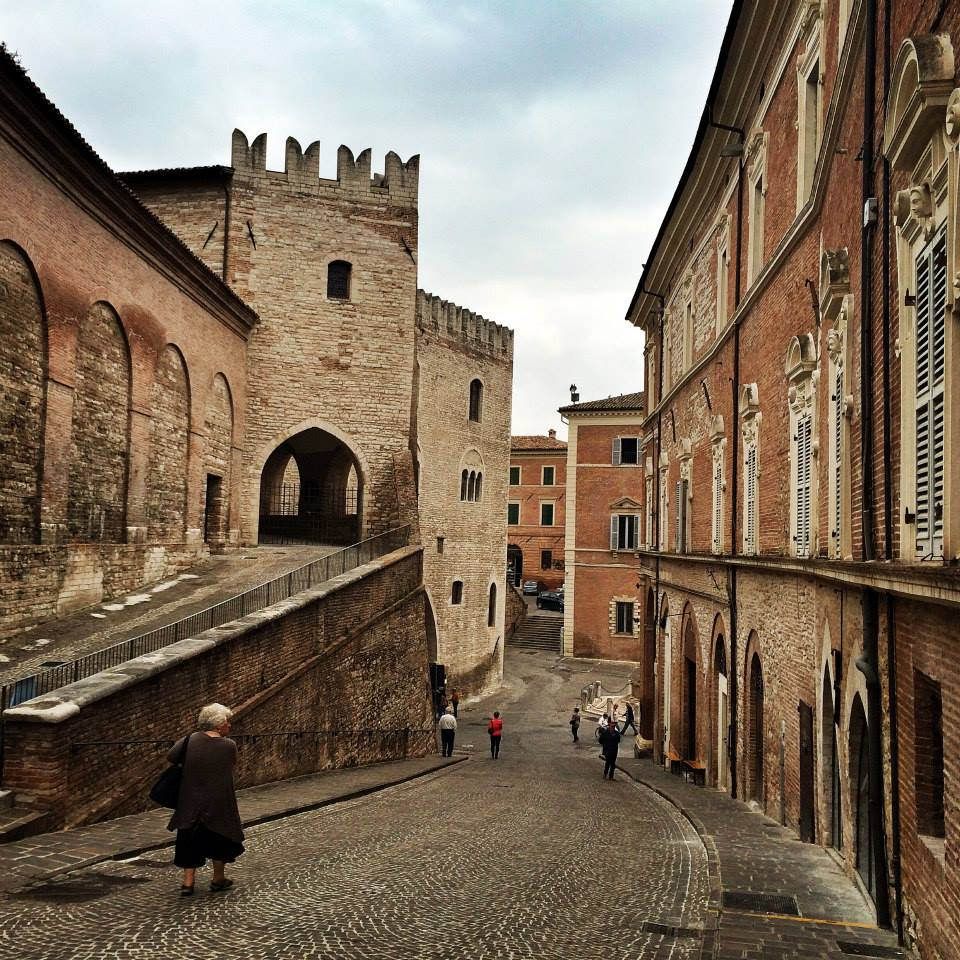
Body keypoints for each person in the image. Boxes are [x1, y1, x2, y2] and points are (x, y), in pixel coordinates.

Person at [167, 703, 245, 896]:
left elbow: (171, 756)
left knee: (188, 840)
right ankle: (218, 878)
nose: (229, 726)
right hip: (217, 802)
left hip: (190, 801)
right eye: (227, 722)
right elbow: (231, 763)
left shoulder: (189, 740)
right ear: (219, 725)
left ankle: (188, 883)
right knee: (219, 838)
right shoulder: (228, 745)